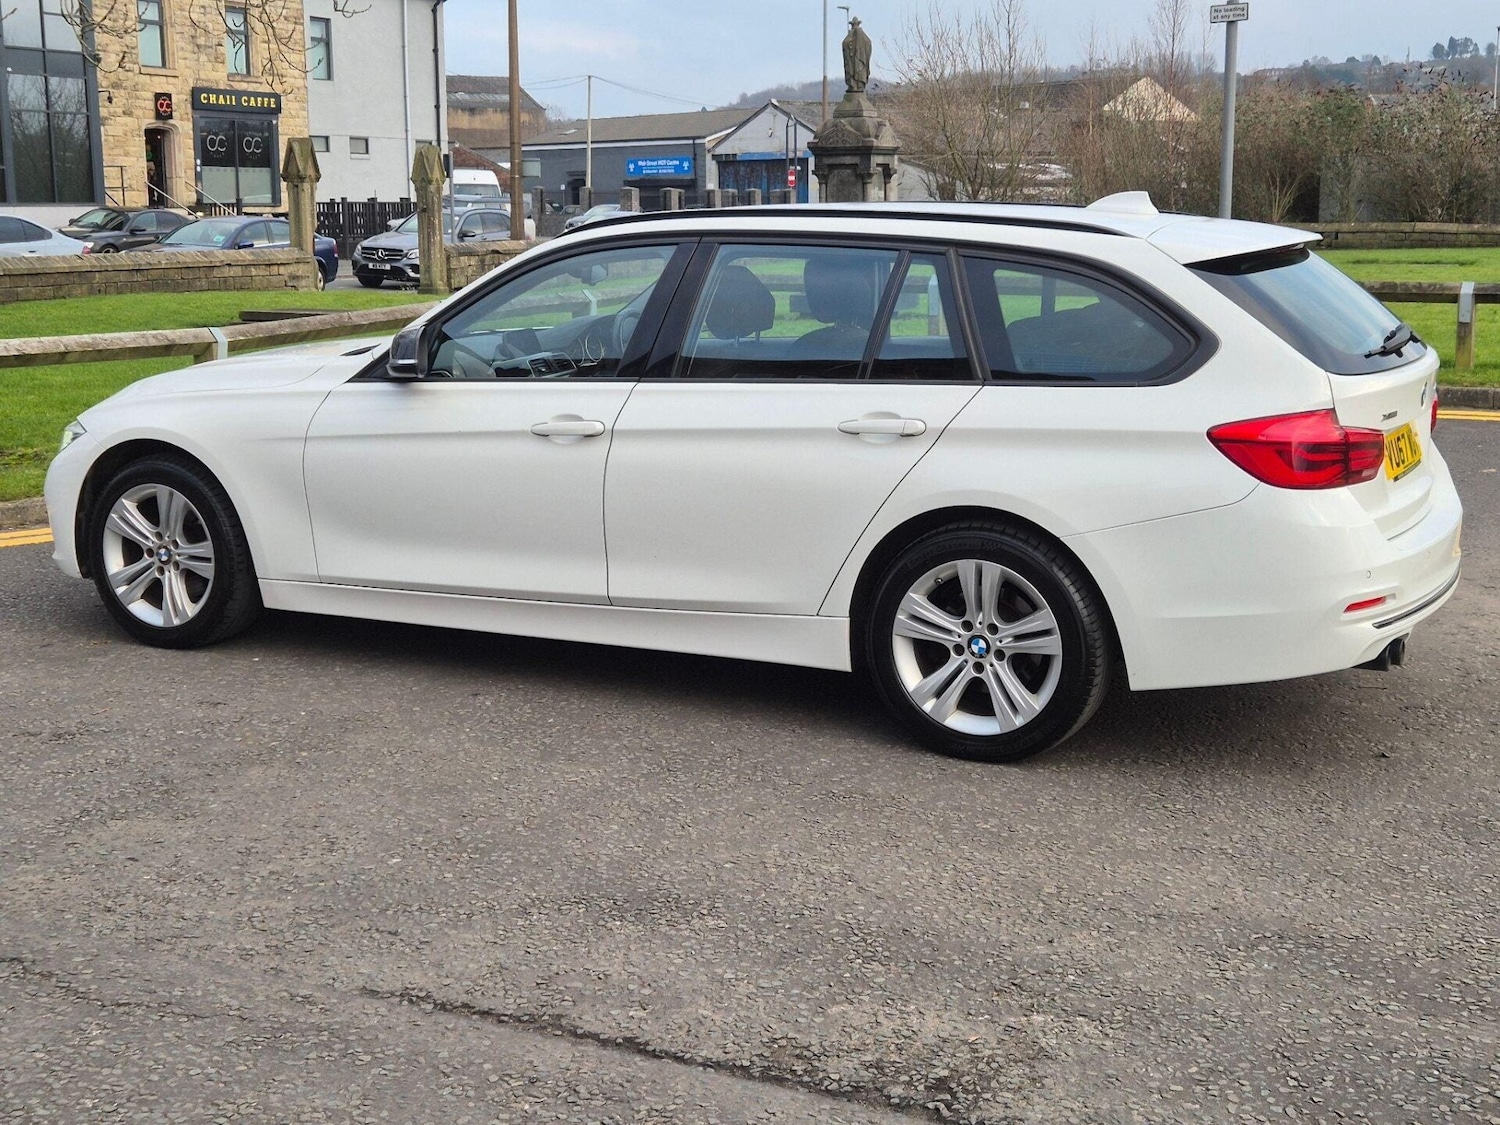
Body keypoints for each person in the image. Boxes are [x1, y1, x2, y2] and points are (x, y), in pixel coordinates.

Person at [842, 16, 872, 93]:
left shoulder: (860, 35)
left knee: (858, 70)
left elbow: (868, 46)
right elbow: (845, 44)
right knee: (853, 70)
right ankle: (854, 85)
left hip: (859, 60)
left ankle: (857, 85)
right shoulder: (852, 36)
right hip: (853, 60)